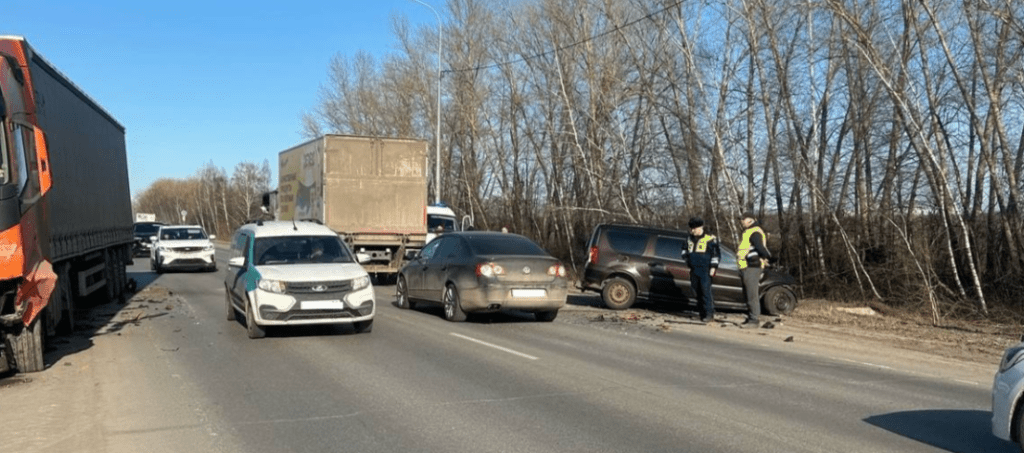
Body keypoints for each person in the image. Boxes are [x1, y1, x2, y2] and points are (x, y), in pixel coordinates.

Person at [681, 217, 720, 324]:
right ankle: (702, 314)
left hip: (705, 270)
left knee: (705, 292)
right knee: (696, 291)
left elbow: (716, 254)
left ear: (700, 228)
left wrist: (713, 267)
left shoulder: (710, 239)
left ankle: (709, 314)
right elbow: (683, 250)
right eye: (691, 229)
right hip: (694, 269)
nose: (693, 231)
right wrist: (687, 260)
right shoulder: (688, 239)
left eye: (695, 228)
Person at [738, 212, 772, 329]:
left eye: (743, 219)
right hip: (747, 266)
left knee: (752, 294)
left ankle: (754, 320)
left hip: (752, 266)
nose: (741, 222)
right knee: (748, 293)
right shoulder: (749, 231)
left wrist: (765, 258)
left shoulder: (755, 232)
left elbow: (760, 249)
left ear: (750, 220)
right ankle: (751, 317)